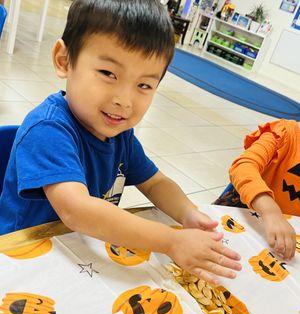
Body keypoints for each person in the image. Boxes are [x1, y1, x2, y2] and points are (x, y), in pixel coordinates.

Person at [0, 0, 241, 284]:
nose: (123, 101)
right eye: (108, 74)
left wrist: (187, 213)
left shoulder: (120, 134)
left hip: (79, 251)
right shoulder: (48, 130)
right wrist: (170, 241)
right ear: (64, 60)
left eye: (144, 85)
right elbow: (76, 210)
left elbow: (155, 183)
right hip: (23, 257)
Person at [216, 119, 299, 260]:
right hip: (242, 215)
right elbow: (243, 166)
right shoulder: (285, 133)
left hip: (283, 245)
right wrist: (270, 211)